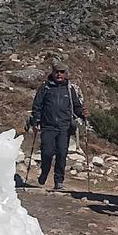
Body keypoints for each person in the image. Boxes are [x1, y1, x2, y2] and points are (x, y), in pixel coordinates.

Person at [25, 60, 86, 190]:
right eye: (56, 72)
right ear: (52, 73)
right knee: (47, 153)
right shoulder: (45, 87)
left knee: (61, 154)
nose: (59, 74)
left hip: (64, 127)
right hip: (48, 126)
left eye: (62, 72)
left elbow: (76, 106)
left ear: (66, 74)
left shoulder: (70, 89)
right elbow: (37, 105)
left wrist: (82, 113)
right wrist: (36, 121)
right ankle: (44, 172)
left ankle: (59, 181)